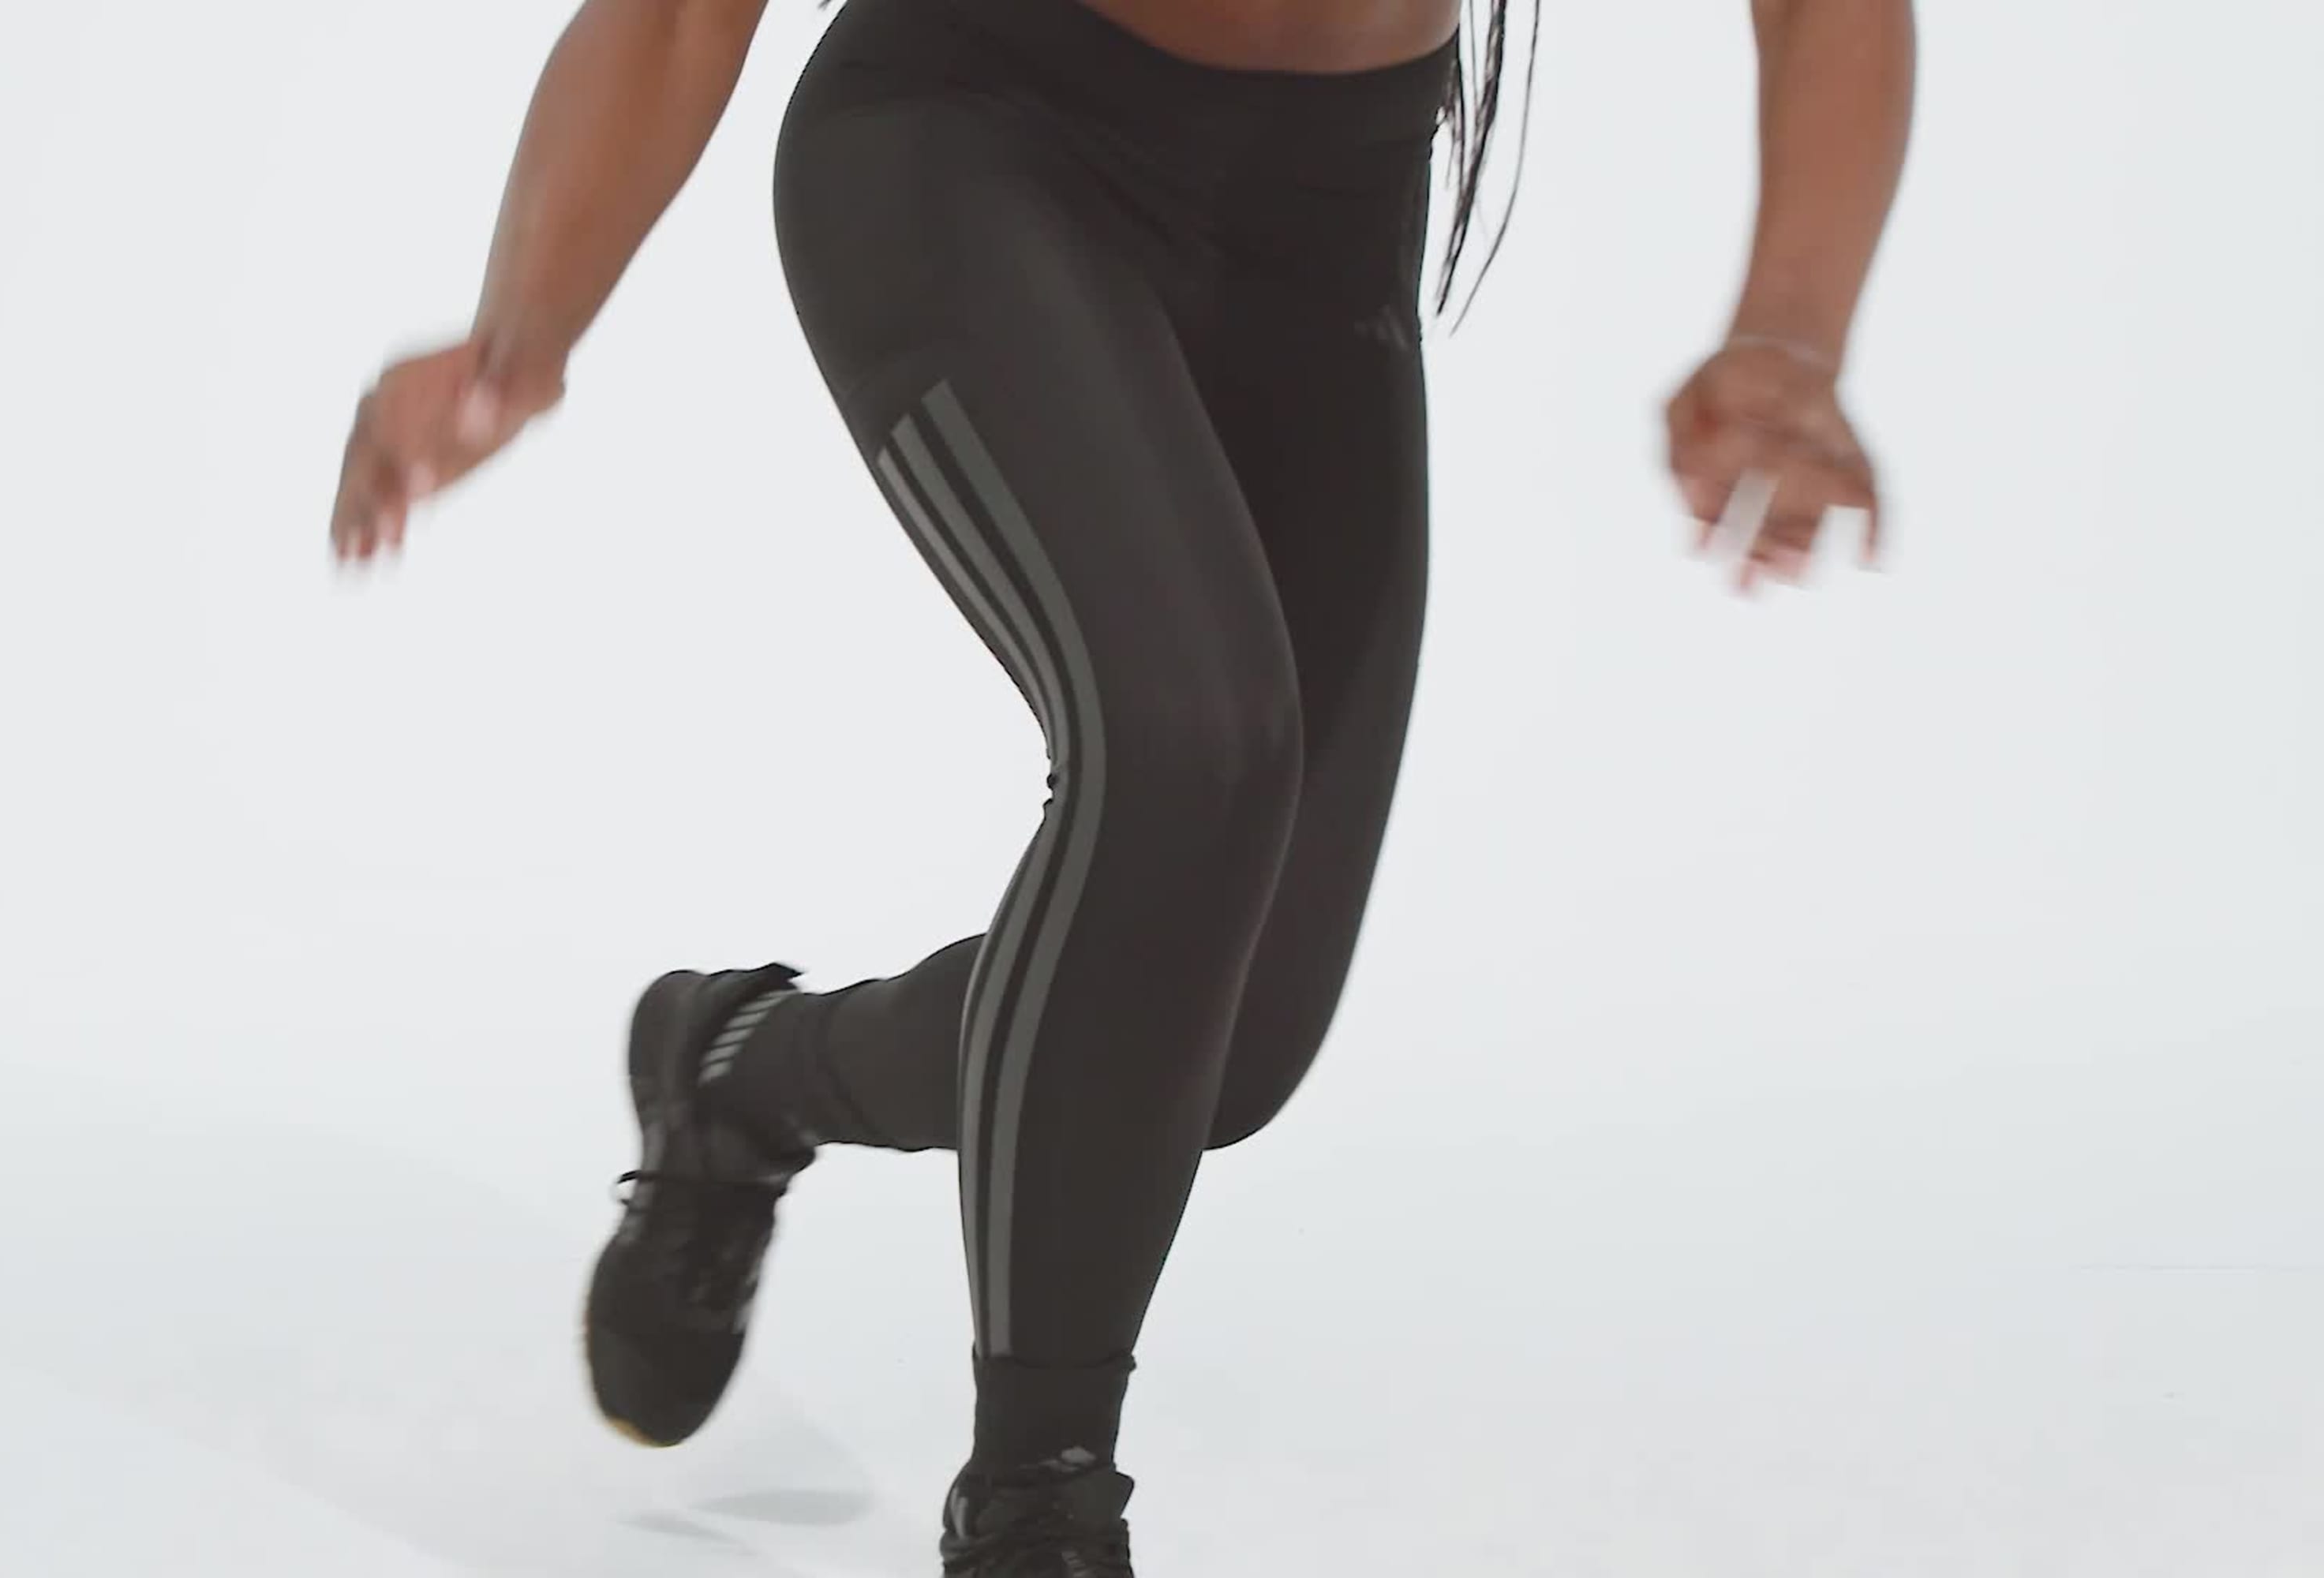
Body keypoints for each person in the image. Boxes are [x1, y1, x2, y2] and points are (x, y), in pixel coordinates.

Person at [327, 0, 1914, 1569]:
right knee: (1190, 746)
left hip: (1327, 208)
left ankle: (743, 1068)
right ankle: (1038, 1507)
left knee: (1217, 1050)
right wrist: (520, 333)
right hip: (975, 140)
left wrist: (1789, 337)